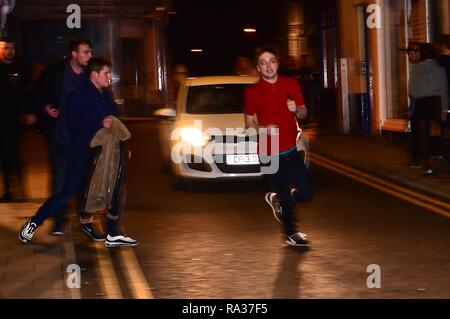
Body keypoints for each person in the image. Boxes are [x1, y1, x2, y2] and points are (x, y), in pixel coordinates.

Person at [18, 57, 138, 247]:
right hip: (81, 151)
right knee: (69, 191)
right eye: (105, 73)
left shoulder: (105, 94)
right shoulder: (79, 95)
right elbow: (73, 123)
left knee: (111, 187)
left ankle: (112, 232)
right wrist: (99, 122)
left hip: (103, 152)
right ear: (94, 74)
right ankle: (33, 223)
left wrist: (122, 150)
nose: (109, 77)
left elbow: (113, 118)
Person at [244, 45, 313, 247]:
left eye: (271, 61)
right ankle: (291, 234)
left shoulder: (291, 84)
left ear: (277, 64)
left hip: (291, 150)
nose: (268, 66)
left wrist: (297, 109)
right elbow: (249, 124)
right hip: (269, 151)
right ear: (258, 67)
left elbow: (303, 113)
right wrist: (263, 128)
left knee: (307, 194)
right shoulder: (252, 92)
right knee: (284, 192)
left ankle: (284, 201)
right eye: (263, 62)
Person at [33, 38, 95, 236]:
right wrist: (45, 108)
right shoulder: (56, 72)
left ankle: (84, 220)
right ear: (74, 54)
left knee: (84, 181)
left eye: (90, 51)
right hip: (60, 137)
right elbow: (38, 93)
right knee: (60, 181)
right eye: (85, 52)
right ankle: (58, 220)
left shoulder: (89, 75)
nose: (89, 56)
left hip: (83, 140)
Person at [406, 42, 449, 175]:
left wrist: (412, 106)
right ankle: (437, 162)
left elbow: (411, 90)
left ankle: (427, 162)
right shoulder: (438, 67)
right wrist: (444, 109)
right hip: (435, 103)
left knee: (424, 135)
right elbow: (443, 89)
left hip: (420, 104)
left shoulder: (417, 68)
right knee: (435, 133)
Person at [0, 36, 31, 202]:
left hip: (14, 120)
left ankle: (19, 190)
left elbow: (27, 92)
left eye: (11, 48)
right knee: (4, 157)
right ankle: (8, 191)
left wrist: (28, 113)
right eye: (5, 48)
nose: (9, 51)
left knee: (14, 154)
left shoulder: (21, 67)